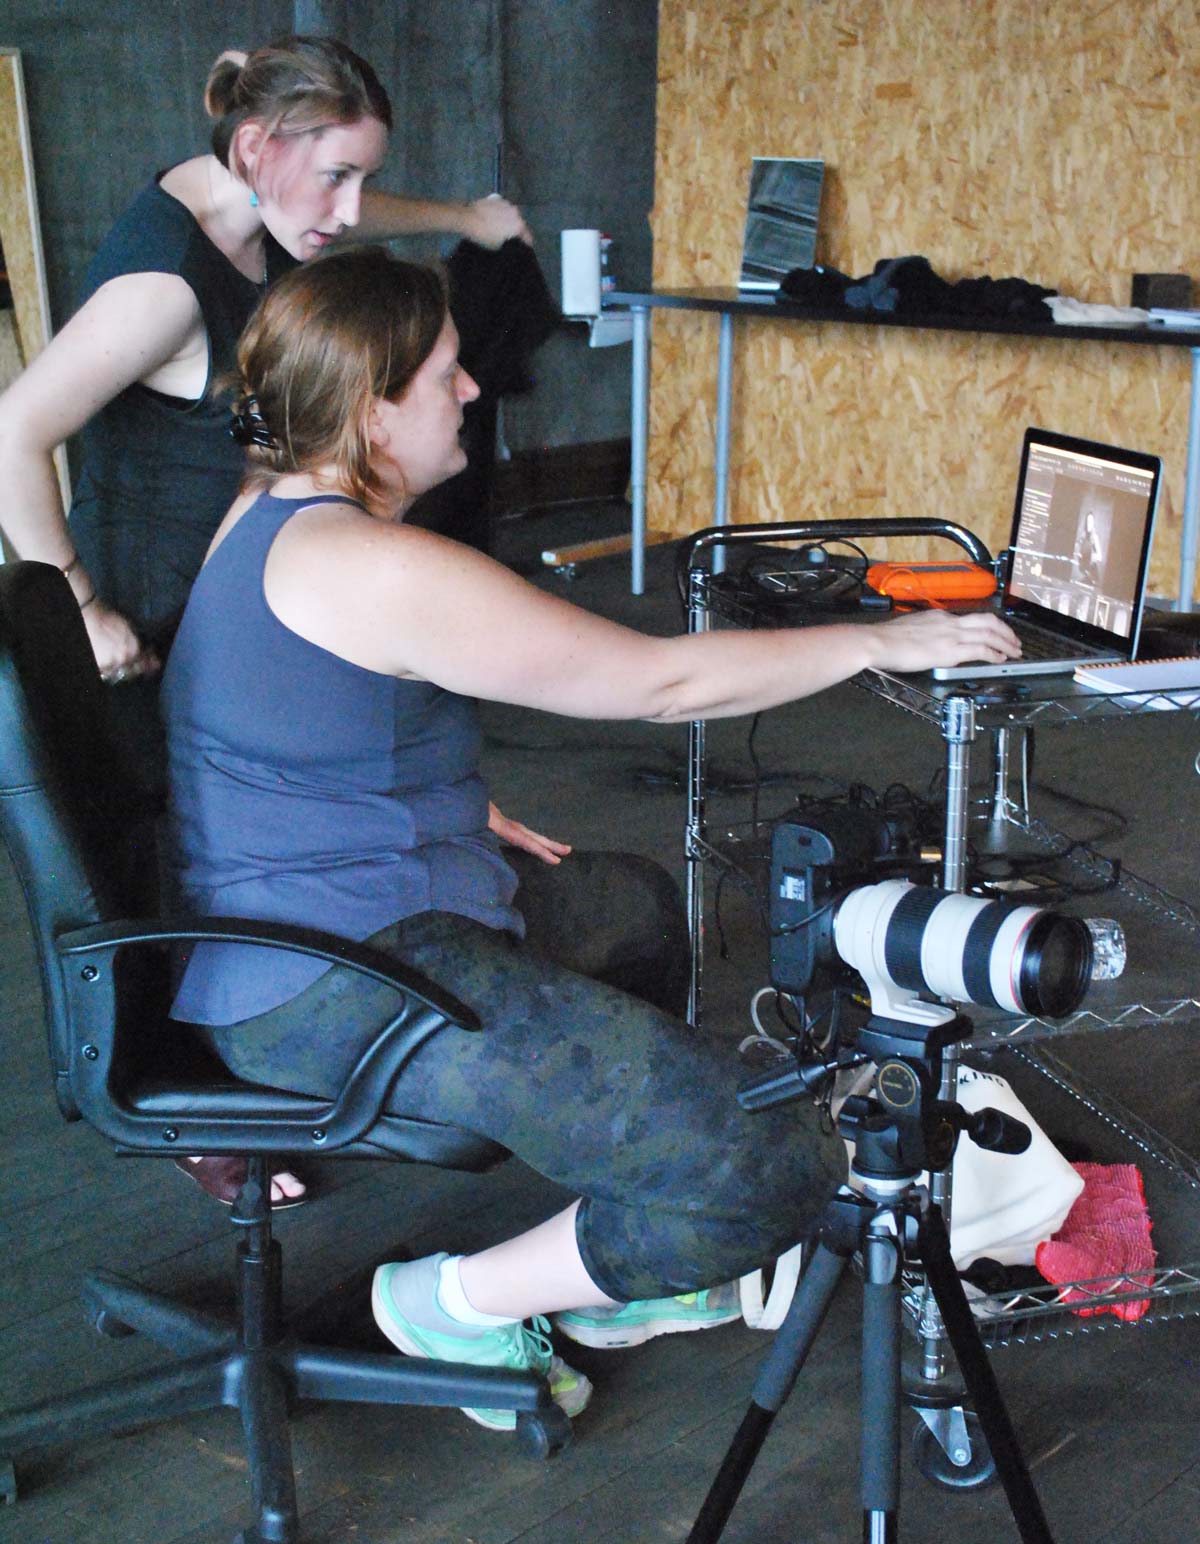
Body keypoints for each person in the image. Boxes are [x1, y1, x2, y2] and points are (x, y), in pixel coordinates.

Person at [158, 246, 1023, 1431]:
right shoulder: (367, 561)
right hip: (338, 983)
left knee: (625, 901)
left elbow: (269, 724)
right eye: (448, 373)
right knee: (770, 1160)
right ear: (372, 409)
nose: (471, 390)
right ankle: (449, 1301)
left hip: (317, 922)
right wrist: (876, 638)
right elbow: (659, 682)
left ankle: (623, 1235)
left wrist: (444, 803)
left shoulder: (266, 511)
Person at [0, 35, 529, 1208]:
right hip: (142, 618)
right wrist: (77, 602)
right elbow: (10, 431)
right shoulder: (163, 285)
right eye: (331, 178)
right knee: (167, 872)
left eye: (361, 179)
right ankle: (199, 1115)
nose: (347, 211)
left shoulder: (267, 204)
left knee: (233, 850)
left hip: (229, 597)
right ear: (255, 149)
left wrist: (465, 215)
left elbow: (355, 200)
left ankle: (257, 1055)